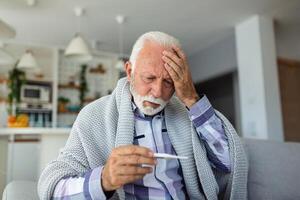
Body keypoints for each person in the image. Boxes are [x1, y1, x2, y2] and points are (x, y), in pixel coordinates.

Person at [38, 31, 248, 200]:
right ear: (129, 71)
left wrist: (192, 99)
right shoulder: (94, 115)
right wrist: (104, 179)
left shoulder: (187, 113)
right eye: (149, 78)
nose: (157, 91)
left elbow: (229, 163)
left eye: (168, 82)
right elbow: (53, 186)